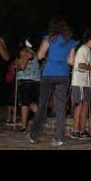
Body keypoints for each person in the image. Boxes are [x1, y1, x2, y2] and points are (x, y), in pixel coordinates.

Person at [28, 16, 78, 146]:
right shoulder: (70, 42)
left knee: (43, 105)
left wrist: (50, 56)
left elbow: (39, 56)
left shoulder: (48, 39)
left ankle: (33, 135)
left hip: (49, 74)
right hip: (63, 75)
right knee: (61, 107)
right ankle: (59, 138)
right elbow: (71, 62)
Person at [71, 29, 91, 139]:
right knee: (79, 106)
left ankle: (82, 130)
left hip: (86, 83)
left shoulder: (88, 50)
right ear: (90, 40)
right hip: (80, 82)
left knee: (85, 107)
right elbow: (81, 65)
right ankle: (76, 130)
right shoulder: (83, 49)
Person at [15, 38, 41, 132]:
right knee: (31, 104)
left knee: (24, 103)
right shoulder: (32, 53)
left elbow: (22, 66)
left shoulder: (27, 53)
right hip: (35, 81)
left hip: (27, 81)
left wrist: (17, 65)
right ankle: (41, 118)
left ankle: (23, 125)